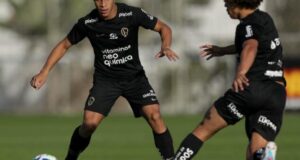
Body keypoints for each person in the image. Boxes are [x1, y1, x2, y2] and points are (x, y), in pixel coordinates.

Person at [30, 0, 179, 159]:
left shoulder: (132, 14)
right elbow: (64, 45)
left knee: (154, 115)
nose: (102, 4)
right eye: (98, 0)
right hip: (106, 81)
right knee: (89, 124)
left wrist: (166, 46)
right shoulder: (88, 22)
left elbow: (164, 27)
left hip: (134, 78)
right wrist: (44, 71)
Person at [174, 0, 286, 160]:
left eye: (227, 4)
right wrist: (223, 50)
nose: (226, 8)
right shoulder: (265, 18)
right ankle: (263, 155)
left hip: (252, 88)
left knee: (203, 129)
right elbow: (253, 42)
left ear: (237, 3)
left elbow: (250, 46)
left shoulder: (246, 25)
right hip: (276, 93)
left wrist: (241, 72)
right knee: (254, 150)